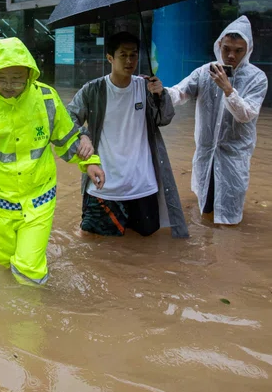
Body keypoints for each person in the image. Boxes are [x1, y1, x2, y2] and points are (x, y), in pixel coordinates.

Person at [0, 38, 105, 285]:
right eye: (1, 79)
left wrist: (90, 163)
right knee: (3, 262)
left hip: (39, 198)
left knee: (29, 268)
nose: (9, 86)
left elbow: (66, 137)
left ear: (29, 74)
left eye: (16, 78)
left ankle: (29, 319)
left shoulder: (47, 99)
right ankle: (7, 307)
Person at [68, 32, 189, 239]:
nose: (129, 60)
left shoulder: (146, 86)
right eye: (123, 55)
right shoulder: (93, 90)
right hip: (104, 186)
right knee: (97, 247)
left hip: (143, 185)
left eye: (133, 55)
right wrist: (83, 135)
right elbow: (68, 118)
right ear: (110, 58)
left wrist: (160, 95)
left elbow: (164, 119)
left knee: (146, 246)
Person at [167, 16, 268, 226]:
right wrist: (159, 92)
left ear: (247, 49)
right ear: (219, 46)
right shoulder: (206, 72)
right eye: (226, 49)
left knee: (229, 217)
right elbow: (180, 93)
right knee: (205, 207)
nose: (231, 55)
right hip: (206, 154)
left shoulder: (257, 78)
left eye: (238, 50)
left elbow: (246, 114)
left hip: (233, 156)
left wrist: (228, 89)